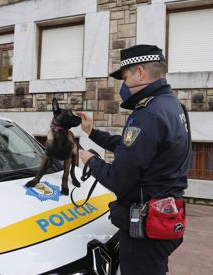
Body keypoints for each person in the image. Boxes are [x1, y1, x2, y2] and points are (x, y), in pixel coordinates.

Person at [78, 44, 191, 275]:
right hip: (166, 215)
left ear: (140, 72)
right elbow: (134, 148)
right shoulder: (172, 105)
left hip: (147, 226)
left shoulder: (147, 113)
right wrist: (93, 133)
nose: (123, 84)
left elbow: (119, 180)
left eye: (125, 76)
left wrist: (90, 160)